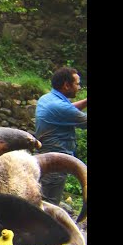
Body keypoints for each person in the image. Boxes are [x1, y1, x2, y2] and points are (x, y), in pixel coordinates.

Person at [34, 67, 87, 205]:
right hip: (56, 164)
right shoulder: (61, 107)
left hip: (45, 157)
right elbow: (77, 116)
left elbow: (69, 109)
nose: (79, 87)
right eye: (77, 84)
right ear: (66, 85)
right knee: (49, 205)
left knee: (39, 199)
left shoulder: (47, 99)